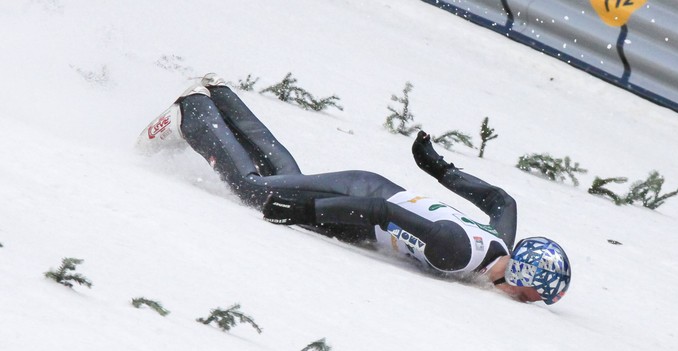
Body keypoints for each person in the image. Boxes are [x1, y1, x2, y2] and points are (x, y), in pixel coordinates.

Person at [137, 74, 571, 304]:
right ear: (520, 275)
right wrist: (310, 215)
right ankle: (194, 115)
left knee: (288, 177)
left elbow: (502, 201)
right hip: (366, 198)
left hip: (369, 202)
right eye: (529, 296)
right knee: (259, 192)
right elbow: (382, 212)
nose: (523, 302)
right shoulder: (457, 252)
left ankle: (220, 95)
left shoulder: (501, 244)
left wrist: (439, 167)